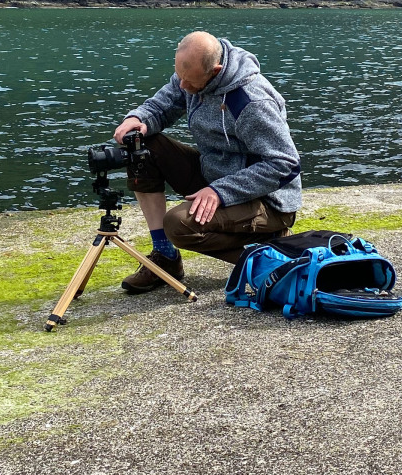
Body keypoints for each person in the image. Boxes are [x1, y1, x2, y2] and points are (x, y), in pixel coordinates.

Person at [112, 30, 302, 293]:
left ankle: (270, 254)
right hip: (214, 173)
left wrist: (220, 192)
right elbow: (165, 102)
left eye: (190, 82)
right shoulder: (191, 75)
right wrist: (137, 119)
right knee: (142, 146)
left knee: (179, 225)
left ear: (216, 70)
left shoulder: (251, 102)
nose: (183, 87)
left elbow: (285, 164)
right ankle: (165, 257)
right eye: (180, 77)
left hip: (267, 200)